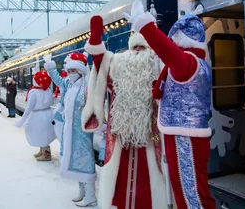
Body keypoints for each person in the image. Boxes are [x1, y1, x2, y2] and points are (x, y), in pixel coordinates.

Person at [124, 0, 216, 208]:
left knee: (191, 193)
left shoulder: (188, 64)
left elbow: (166, 51)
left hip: (186, 137)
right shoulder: (195, 64)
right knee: (185, 190)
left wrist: (145, 26)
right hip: (182, 134)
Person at [82, 16, 167, 209]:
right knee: (118, 186)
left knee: (151, 187)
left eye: (142, 48)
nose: (137, 52)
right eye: (134, 48)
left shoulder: (157, 68)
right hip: (121, 137)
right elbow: (99, 62)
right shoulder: (118, 66)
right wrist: (95, 38)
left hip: (150, 138)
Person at [44, 52, 97, 207]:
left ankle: (91, 196)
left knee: (85, 161)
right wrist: (51, 67)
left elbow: (94, 105)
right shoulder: (69, 84)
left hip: (82, 132)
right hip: (70, 131)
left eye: (74, 70)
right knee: (75, 162)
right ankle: (82, 191)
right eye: (70, 70)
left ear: (81, 71)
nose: (71, 73)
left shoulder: (87, 87)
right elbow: (58, 80)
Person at [15, 72, 55, 161]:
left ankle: (46, 155)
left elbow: (29, 107)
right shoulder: (48, 90)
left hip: (37, 116)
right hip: (48, 113)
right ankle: (42, 151)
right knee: (45, 133)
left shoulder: (34, 92)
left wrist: (21, 121)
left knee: (39, 132)